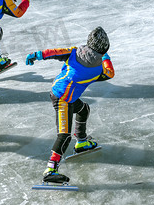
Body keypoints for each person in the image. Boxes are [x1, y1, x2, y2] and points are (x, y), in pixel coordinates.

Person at [25, 26, 115, 183]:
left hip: (64, 95)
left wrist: (36, 55)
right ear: (104, 48)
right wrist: (105, 57)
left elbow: (55, 52)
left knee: (83, 109)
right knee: (64, 136)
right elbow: (110, 73)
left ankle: (81, 142)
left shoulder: (74, 52)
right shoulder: (100, 68)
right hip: (62, 100)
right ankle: (50, 170)